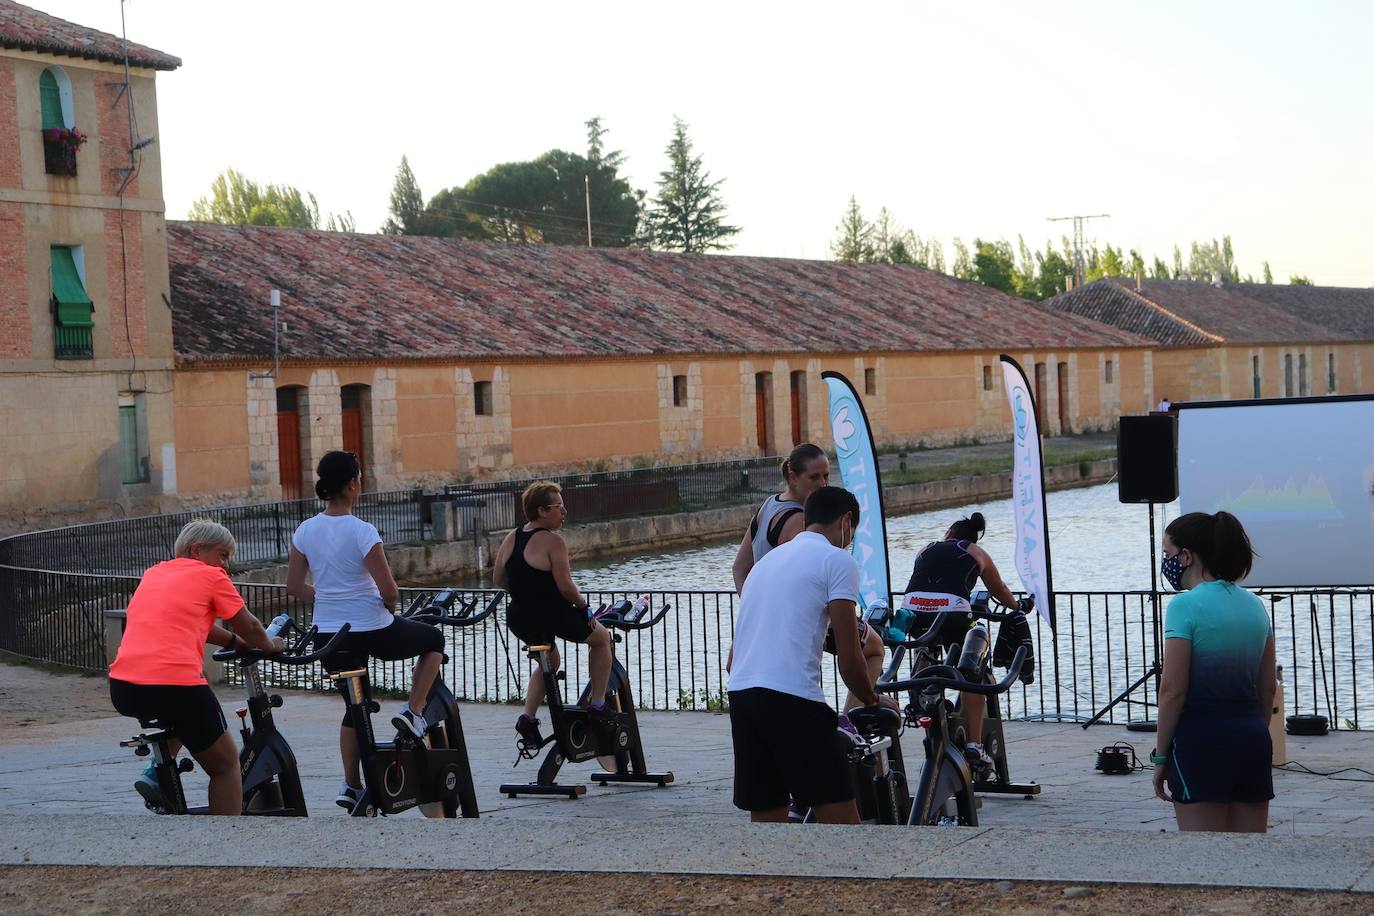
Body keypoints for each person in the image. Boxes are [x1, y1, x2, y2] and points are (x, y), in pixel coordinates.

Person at [728, 486, 899, 824]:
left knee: (768, 821)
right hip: (793, 699)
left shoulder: (766, 563)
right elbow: (850, 658)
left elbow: (736, 653)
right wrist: (873, 698)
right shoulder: (838, 561)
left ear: (807, 519)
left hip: (742, 695)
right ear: (846, 522)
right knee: (841, 823)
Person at [287, 450, 443, 812]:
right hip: (372, 627)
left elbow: (295, 587)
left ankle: (351, 784)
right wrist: (387, 606)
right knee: (433, 640)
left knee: (353, 706)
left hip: (329, 634)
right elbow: (389, 590)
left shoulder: (305, 530)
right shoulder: (362, 531)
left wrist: (326, 598)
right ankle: (414, 711)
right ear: (353, 483)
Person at [109, 519, 284, 815]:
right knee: (226, 764)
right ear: (197, 549)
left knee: (182, 716)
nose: (225, 566)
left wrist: (235, 643)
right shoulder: (211, 576)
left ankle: (156, 771)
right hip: (174, 687)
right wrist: (270, 645)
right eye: (223, 555)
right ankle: (223, 848)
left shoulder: (154, 573)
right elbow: (252, 625)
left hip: (124, 688)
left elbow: (188, 620)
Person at [730, 443, 885, 714]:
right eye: (814, 477)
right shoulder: (801, 521)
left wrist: (757, 611)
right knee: (874, 648)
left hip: (757, 642)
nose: (823, 484)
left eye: (826, 476)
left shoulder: (767, 507)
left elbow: (740, 568)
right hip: (802, 614)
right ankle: (851, 721)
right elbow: (810, 573)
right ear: (792, 476)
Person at [1153, 511, 1276, 833]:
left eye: (1167, 554)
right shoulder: (1255, 606)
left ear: (1187, 556)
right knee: (1251, 857)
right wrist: (1254, 731)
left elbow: (1173, 690)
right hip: (1252, 739)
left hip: (1201, 741)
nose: (1165, 562)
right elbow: (1267, 688)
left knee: (1204, 863)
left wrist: (1161, 757)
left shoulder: (1184, 606)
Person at [901, 511, 1029, 774]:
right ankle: (974, 744)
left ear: (949, 533)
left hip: (913, 610)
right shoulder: (976, 553)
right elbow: (1000, 590)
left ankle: (923, 693)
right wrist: (1019, 605)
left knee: (927, 642)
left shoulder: (927, 547)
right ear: (973, 538)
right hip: (953, 611)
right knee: (974, 673)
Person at [493, 481, 614, 748]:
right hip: (551, 612)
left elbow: (498, 577)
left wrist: (526, 589)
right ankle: (597, 704)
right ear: (542, 511)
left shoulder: (513, 536)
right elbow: (566, 587)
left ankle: (528, 717)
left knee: (549, 659)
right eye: (559, 507)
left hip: (519, 615)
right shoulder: (553, 541)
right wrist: (584, 608)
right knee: (601, 639)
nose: (565, 511)